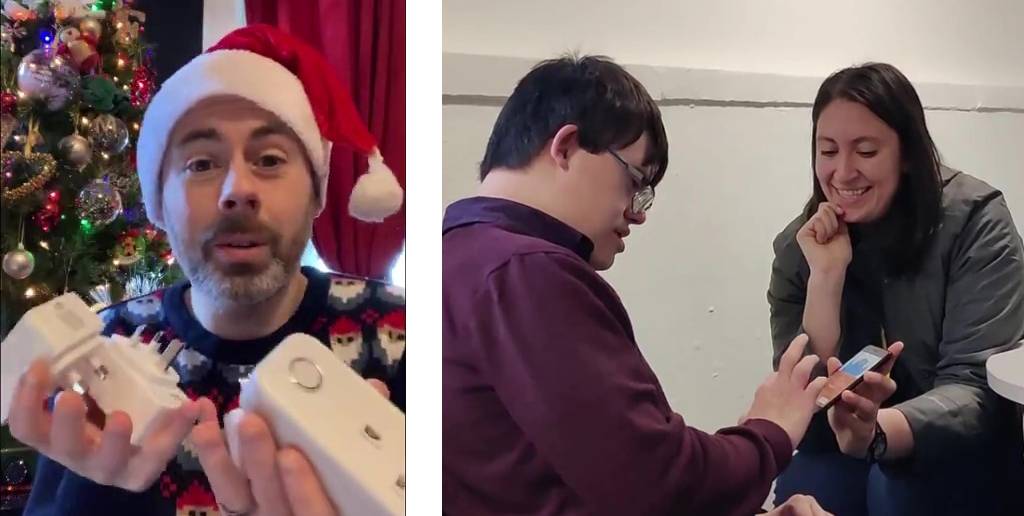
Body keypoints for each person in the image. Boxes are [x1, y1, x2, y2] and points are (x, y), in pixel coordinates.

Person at [442, 54, 868, 516]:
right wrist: (769, 433)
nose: (637, 212)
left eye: (866, 151)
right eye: (636, 181)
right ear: (565, 147)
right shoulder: (527, 272)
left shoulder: (458, 254)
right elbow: (657, 484)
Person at [6, 24, 406, 516]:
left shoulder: (407, 336)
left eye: (270, 159)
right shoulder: (105, 349)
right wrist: (93, 492)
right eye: (200, 164)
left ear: (315, 193)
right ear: (160, 203)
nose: (238, 190)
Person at [768, 62, 1024, 516]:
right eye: (827, 151)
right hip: (843, 441)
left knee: (895, 492)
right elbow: (801, 406)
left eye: (866, 151)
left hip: (958, 447)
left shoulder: (975, 222)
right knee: (802, 487)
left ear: (907, 153)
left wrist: (876, 431)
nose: (842, 172)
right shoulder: (801, 246)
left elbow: (975, 389)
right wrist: (826, 279)